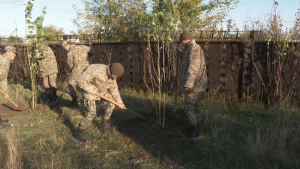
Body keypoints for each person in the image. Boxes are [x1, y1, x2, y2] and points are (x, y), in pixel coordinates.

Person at [74, 63, 126, 142]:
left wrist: (120, 103)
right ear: (112, 72)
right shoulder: (95, 70)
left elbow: (114, 90)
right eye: (116, 75)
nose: (117, 77)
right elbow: (80, 81)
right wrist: (92, 90)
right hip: (88, 91)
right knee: (92, 112)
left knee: (112, 103)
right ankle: (79, 132)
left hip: (100, 92)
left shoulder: (112, 77)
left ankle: (104, 125)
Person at [177, 31, 207, 139]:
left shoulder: (194, 48)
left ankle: (194, 129)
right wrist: (180, 53)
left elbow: (193, 67)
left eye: (182, 40)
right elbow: (187, 61)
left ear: (185, 39)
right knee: (196, 107)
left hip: (195, 85)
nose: (181, 42)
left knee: (188, 107)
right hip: (198, 84)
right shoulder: (190, 48)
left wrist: (189, 83)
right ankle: (197, 127)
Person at [62, 40, 92, 106]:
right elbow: (92, 51)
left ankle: (74, 101)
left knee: (71, 84)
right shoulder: (83, 47)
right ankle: (87, 101)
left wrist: (73, 69)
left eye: (65, 48)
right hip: (87, 70)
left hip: (76, 71)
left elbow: (70, 65)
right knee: (85, 84)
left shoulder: (70, 52)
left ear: (67, 45)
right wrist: (88, 59)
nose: (65, 50)